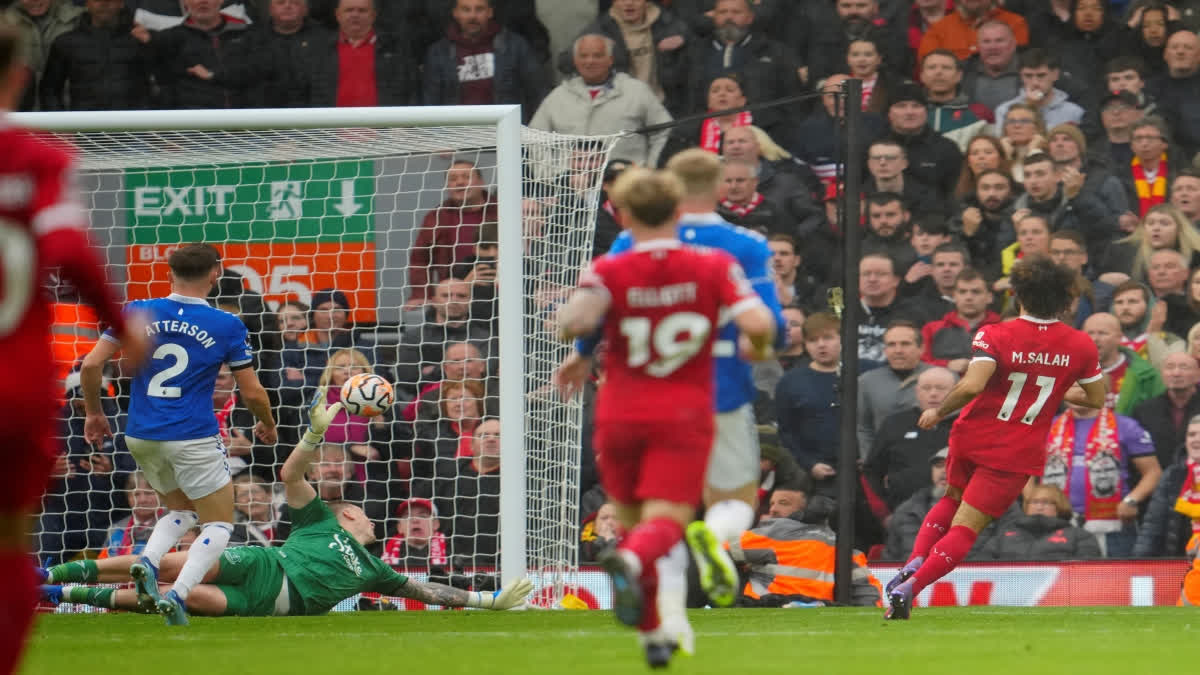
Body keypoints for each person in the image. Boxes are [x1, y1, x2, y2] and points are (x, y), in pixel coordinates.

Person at [559, 149, 785, 652]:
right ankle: (643, 561)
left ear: (624, 213)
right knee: (676, 519)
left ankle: (658, 633)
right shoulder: (717, 262)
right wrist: (761, 346)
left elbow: (576, 321)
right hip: (687, 405)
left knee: (639, 520)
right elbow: (762, 325)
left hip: (619, 409)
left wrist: (579, 347)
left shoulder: (610, 263)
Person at [39, 390, 532, 616]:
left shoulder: (375, 570)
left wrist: (489, 600)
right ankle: (53, 577)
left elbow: (430, 594)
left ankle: (60, 599)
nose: (363, 515)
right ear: (349, 515)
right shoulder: (320, 520)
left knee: (173, 596)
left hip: (270, 607)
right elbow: (290, 473)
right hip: (262, 567)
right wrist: (315, 434)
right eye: (359, 511)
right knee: (172, 564)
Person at [0, 23, 152, 675]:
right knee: (10, 540)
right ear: (18, 75)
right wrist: (123, 324)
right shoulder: (36, 157)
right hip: (17, 379)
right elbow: (65, 250)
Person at [884, 255, 1106, 620]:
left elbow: (972, 385)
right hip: (1016, 450)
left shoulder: (995, 333)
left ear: (1018, 296)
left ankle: (911, 563)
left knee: (950, 499)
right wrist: (1056, 391)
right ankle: (912, 587)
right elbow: (1095, 399)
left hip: (972, 434)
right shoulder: (1081, 345)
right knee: (966, 529)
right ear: (1065, 301)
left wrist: (938, 411)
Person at [80, 243, 277, 625]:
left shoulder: (136, 311)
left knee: (181, 511)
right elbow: (251, 391)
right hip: (192, 435)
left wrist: (93, 413)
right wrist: (266, 423)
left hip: (140, 433)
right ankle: (180, 594)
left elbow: (91, 364)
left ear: (169, 273)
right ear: (216, 273)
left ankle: (149, 562)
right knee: (219, 524)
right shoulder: (227, 324)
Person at [1041, 382, 1162, 557]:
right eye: (1070, 387)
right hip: (1057, 522)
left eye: (1082, 387)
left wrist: (1132, 501)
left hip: (1112, 526)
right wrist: (1031, 496)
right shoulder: (1047, 427)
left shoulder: (1126, 426)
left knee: (1114, 581)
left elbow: (1153, 472)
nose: (1075, 392)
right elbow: (1024, 468)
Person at [731, 477, 883, 607]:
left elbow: (718, 552)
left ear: (804, 510)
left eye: (783, 503)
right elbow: (869, 595)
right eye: (771, 504)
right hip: (819, 616)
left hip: (759, 610)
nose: (773, 510)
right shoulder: (844, 548)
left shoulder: (774, 532)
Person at [978, 484, 1102, 560]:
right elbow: (982, 564)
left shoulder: (1080, 537)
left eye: (1046, 502)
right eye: (1035, 502)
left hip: (1057, 595)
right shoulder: (1004, 535)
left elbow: (1087, 572)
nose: (1039, 507)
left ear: (1060, 506)